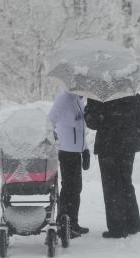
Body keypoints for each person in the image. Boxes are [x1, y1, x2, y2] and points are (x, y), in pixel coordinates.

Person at [84, 93, 140, 238]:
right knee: (126, 183)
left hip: (107, 146)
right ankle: (133, 224)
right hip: (128, 147)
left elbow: (92, 123)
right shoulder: (134, 95)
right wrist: (131, 136)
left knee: (111, 186)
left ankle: (117, 227)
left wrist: (90, 111)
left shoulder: (99, 95)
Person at [49, 90, 90, 238]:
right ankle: (63, 225)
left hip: (76, 152)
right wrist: (54, 139)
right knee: (68, 188)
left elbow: (80, 129)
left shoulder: (79, 100)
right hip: (65, 150)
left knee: (76, 188)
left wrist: (85, 149)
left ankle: (73, 223)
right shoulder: (64, 98)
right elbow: (50, 121)